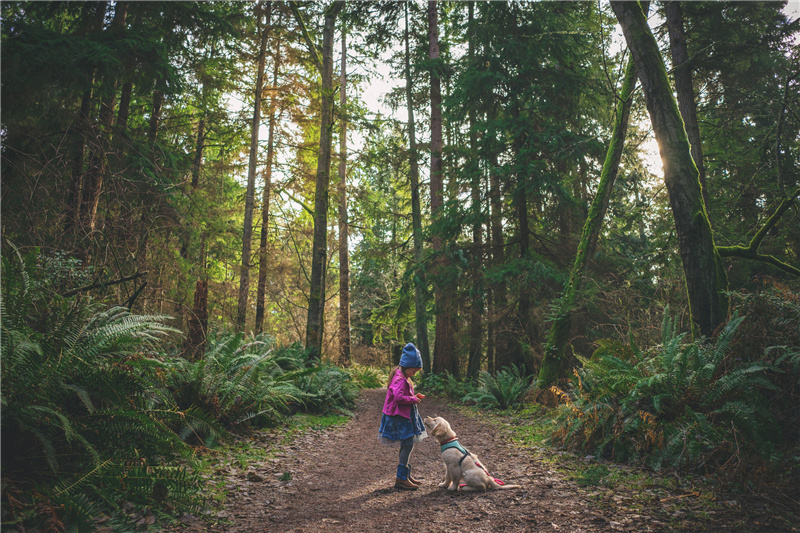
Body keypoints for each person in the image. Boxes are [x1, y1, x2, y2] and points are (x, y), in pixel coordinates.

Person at [379, 343, 428, 490]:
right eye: (414, 371)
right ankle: (401, 478)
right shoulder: (400, 379)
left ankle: (405, 474)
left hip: (403, 415)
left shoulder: (401, 375)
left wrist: (413, 396)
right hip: (400, 417)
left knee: (407, 444)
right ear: (407, 366)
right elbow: (399, 397)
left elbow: (401, 395)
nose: (414, 374)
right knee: (407, 444)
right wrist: (413, 399)